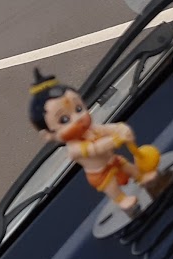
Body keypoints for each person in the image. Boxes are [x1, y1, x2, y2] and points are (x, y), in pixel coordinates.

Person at [28, 68, 145, 212]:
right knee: (112, 187)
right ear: (48, 134)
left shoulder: (92, 129)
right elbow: (94, 149)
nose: (78, 118)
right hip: (100, 173)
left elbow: (105, 129)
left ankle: (142, 178)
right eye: (64, 120)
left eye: (78, 109)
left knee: (129, 167)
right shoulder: (74, 149)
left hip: (113, 160)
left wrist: (119, 128)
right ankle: (122, 200)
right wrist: (114, 141)